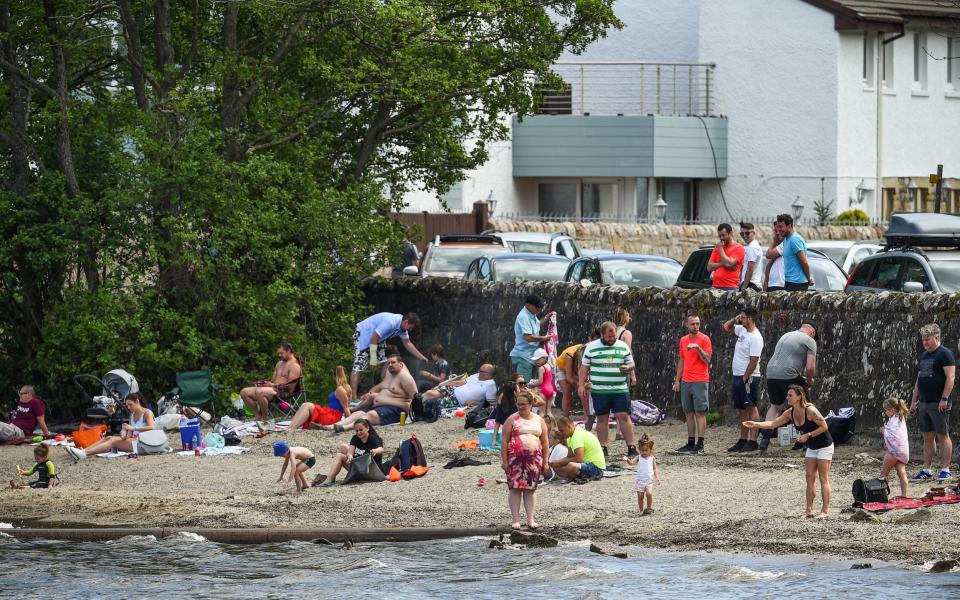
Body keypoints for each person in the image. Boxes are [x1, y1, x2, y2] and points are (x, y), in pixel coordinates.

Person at [745, 385, 834, 519]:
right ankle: (809, 510)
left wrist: (808, 435)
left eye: (790, 395)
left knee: (823, 477)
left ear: (799, 397)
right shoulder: (789, 413)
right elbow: (773, 424)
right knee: (809, 477)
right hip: (812, 447)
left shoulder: (810, 410)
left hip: (825, 446)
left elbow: (824, 426)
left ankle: (825, 511)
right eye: (787, 395)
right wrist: (756, 424)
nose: (787, 397)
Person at [580, 321, 638, 458]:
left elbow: (631, 363)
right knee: (602, 418)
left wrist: (628, 368)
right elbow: (584, 368)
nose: (612, 339)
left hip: (620, 389)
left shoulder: (623, 346)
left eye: (614, 337)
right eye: (609, 337)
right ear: (602, 334)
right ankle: (603, 447)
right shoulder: (591, 347)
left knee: (624, 416)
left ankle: (631, 447)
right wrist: (581, 385)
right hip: (599, 390)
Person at [909, 323, 955, 483]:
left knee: (943, 435)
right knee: (927, 437)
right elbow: (919, 380)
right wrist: (914, 401)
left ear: (936, 337)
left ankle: (945, 469)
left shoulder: (945, 354)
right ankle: (927, 469)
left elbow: (951, 377)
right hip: (924, 402)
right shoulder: (924, 356)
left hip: (939, 402)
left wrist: (944, 398)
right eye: (923, 339)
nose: (925, 342)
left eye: (927, 339)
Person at [324, 354, 417, 432]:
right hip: (380, 406)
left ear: (401, 364)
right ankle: (332, 426)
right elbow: (381, 386)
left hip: (395, 410)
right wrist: (370, 393)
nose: (390, 365)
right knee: (358, 413)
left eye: (393, 362)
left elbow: (415, 398)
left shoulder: (405, 377)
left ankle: (345, 427)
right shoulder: (389, 374)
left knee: (370, 414)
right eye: (388, 363)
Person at [761, 324, 818, 450]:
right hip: (789, 373)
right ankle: (805, 442)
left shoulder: (786, 335)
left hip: (771, 372)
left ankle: (765, 438)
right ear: (812, 332)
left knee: (775, 406)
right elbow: (810, 367)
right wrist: (809, 381)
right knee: (803, 405)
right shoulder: (810, 341)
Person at [500, 390, 549, 530]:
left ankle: (530, 519)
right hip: (514, 459)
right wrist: (504, 461)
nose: (520, 407)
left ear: (531, 404)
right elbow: (504, 441)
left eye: (523, 404)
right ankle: (515, 519)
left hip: (534, 460)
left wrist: (545, 461)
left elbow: (545, 442)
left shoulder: (539, 420)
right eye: (518, 404)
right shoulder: (512, 419)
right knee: (515, 488)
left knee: (530, 489)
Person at [350, 312, 428, 399]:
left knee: (386, 363)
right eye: (410, 328)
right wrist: (373, 358)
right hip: (364, 334)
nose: (410, 330)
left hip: (378, 339)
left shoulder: (402, 328)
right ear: (406, 322)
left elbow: (407, 343)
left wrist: (421, 357)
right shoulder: (390, 322)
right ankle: (353, 397)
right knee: (359, 365)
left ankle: (385, 389)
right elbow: (374, 338)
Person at [65, 393, 155, 461]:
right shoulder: (132, 415)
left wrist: (133, 428)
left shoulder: (147, 413)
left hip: (144, 442)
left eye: (130, 404)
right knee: (109, 437)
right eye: (127, 405)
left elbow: (152, 427)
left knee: (112, 441)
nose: (128, 407)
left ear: (137, 402)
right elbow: (129, 435)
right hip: (134, 440)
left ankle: (84, 454)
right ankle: (83, 451)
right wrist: (124, 432)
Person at [722, 308, 764, 453]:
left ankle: (753, 440)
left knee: (751, 406)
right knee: (742, 408)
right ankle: (742, 439)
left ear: (751, 319)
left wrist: (745, 377)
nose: (742, 319)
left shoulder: (756, 337)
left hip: (749, 377)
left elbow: (754, 360)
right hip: (737, 375)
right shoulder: (742, 330)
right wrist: (735, 318)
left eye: (744, 317)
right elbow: (726, 327)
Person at [672, 314, 712, 455]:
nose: (695, 326)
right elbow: (681, 360)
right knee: (688, 412)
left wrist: (698, 348)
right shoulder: (683, 340)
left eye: (697, 324)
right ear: (687, 325)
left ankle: (700, 443)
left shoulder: (705, 339)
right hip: (686, 380)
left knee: (700, 412)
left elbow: (707, 359)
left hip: (700, 380)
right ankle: (690, 443)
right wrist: (677, 380)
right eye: (693, 324)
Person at [240, 342, 302, 424]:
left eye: (281, 353)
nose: (279, 355)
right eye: (279, 353)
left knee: (260, 392)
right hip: (272, 389)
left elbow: (289, 387)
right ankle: (258, 416)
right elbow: (272, 380)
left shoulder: (294, 365)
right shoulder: (279, 363)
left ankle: (265, 418)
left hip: (283, 392)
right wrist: (263, 383)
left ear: (289, 351)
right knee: (244, 392)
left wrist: (272, 385)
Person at [317, 418, 385, 487]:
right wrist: (350, 456)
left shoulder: (373, 438)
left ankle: (330, 477)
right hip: (360, 469)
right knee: (340, 454)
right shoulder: (355, 438)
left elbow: (381, 449)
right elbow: (350, 450)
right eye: (356, 430)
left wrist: (375, 451)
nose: (359, 432)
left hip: (372, 471)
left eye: (361, 430)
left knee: (341, 453)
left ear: (367, 428)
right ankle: (329, 479)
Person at [286, 366, 353, 431]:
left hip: (332, 417)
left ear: (334, 376)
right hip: (330, 414)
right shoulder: (347, 387)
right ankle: (290, 427)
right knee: (305, 404)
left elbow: (345, 407)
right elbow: (346, 405)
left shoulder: (340, 389)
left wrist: (351, 423)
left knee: (308, 405)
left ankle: (292, 429)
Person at [556, 328, 600, 418]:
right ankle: (566, 418)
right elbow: (569, 378)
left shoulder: (590, 350)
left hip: (576, 368)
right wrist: (581, 385)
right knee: (567, 392)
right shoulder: (570, 355)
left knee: (584, 391)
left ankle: (589, 416)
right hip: (563, 369)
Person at [509, 294, 553, 382]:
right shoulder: (524, 316)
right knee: (524, 385)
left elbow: (538, 325)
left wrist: (547, 317)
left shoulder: (531, 313)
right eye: (537, 307)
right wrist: (543, 338)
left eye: (540, 307)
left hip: (530, 355)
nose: (539, 309)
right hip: (523, 356)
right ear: (528, 305)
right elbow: (528, 337)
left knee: (531, 384)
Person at [551, 416, 606, 481]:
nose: (561, 433)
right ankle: (566, 476)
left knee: (571, 466)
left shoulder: (577, 436)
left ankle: (565, 477)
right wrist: (557, 463)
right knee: (560, 467)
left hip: (597, 468)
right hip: (587, 465)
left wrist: (560, 462)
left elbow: (579, 459)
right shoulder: (569, 436)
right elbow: (569, 456)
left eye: (562, 430)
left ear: (569, 427)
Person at [766, 214, 812, 291]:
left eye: (781, 227)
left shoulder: (795, 239)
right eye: (777, 227)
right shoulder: (786, 240)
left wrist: (808, 278)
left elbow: (804, 262)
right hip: (788, 282)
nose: (779, 229)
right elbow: (769, 255)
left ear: (789, 226)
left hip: (797, 284)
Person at [419, 364, 497, 409]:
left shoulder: (490, 385)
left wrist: (476, 402)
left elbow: (491, 404)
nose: (478, 372)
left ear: (487, 374)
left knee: (430, 404)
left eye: (480, 371)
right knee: (430, 393)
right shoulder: (476, 376)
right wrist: (442, 385)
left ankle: (413, 406)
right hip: (452, 389)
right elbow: (461, 382)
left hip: (457, 400)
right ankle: (414, 401)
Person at [882, 397, 911, 498]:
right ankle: (904, 495)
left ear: (892, 410)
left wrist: (884, 431)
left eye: (886, 410)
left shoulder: (894, 420)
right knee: (902, 472)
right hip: (903, 452)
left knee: (884, 474)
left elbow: (891, 434)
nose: (885, 412)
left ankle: (883, 495)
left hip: (893, 451)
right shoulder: (901, 417)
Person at [625, 434, 660, 515]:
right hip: (640, 481)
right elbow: (631, 463)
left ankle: (649, 508)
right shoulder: (638, 457)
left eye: (646, 450)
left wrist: (657, 477)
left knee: (649, 494)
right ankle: (641, 510)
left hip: (649, 481)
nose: (644, 452)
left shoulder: (652, 458)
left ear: (650, 450)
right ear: (639, 450)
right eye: (642, 450)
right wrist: (627, 459)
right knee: (640, 497)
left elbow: (655, 468)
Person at [707, 223, 745, 291]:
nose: (721, 238)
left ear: (730, 233)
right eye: (719, 236)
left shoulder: (739, 248)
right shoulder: (717, 247)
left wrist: (721, 249)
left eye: (723, 235)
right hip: (715, 286)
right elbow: (709, 267)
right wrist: (723, 263)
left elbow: (730, 264)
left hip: (730, 287)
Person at [492, 373, 525, 446]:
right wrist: (494, 440)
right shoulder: (503, 397)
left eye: (524, 383)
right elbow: (498, 420)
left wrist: (518, 397)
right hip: (509, 430)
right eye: (520, 384)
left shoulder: (525, 396)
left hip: (520, 429)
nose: (523, 385)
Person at [613, 308, 638, 389]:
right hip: (622, 370)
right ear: (625, 318)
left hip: (610, 368)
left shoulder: (611, 332)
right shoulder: (626, 333)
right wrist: (633, 375)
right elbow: (628, 355)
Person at [528, 349, 556, 414]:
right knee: (549, 411)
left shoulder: (541, 368)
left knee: (542, 412)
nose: (536, 361)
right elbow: (547, 379)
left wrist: (532, 384)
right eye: (535, 360)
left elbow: (540, 381)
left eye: (538, 359)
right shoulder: (549, 366)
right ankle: (552, 424)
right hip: (551, 390)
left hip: (543, 390)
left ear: (544, 358)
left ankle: (541, 424)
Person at [738, 222, 763, 292]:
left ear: (754, 233)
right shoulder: (754, 245)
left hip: (751, 285)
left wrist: (743, 287)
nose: (744, 236)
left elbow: (750, 269)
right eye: (742, 234)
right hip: (753, 284)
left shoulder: (752, 247)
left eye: (747, 233)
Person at [763, 226, 786, 291]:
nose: (777, 233)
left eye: (780, 231)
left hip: (781, 286)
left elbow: (768, 255)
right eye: (775, 231)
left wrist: (774, 242)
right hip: (771, 286)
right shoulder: (774, 250)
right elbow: (767, 272)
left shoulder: (786, 245)